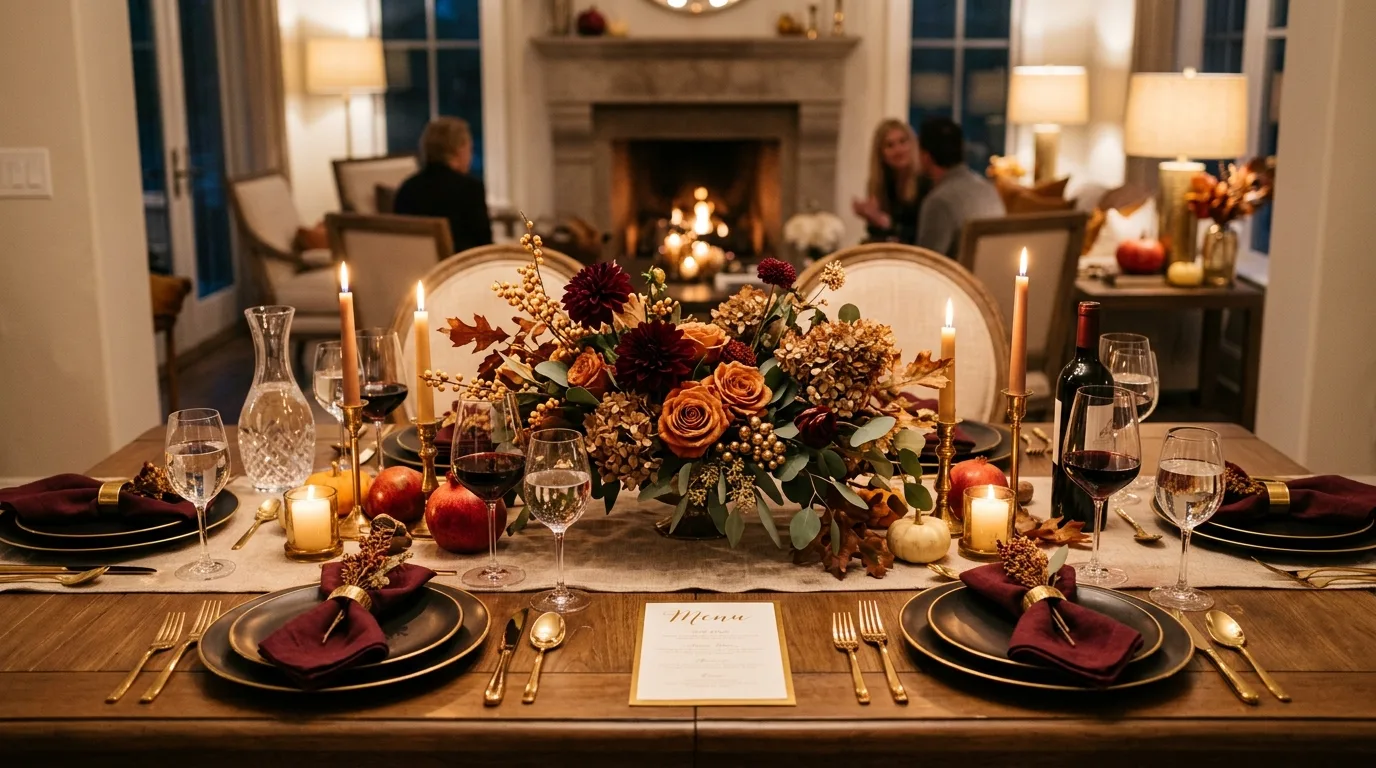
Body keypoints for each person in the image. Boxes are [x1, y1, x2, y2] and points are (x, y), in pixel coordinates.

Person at [393, 117, 493, 253]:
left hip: (417, 269)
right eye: (470, 149)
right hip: (461, 269)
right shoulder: (470, 189)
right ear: (460, 150)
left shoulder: (406, 189)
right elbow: (484, 246)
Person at [914, 117, 1005, 258]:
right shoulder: (988, 189)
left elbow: (928, 265)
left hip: (960, 278)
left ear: (925, 157)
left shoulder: (939, 201)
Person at [852, 119, 930, 245]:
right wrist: (872, 218)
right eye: (890, 145)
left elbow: (921, 234)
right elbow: (877, 234)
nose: (898, 150)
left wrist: (884, 221)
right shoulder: (880, 184)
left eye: (903, 142)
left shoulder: (925, 182)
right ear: (881, 154)